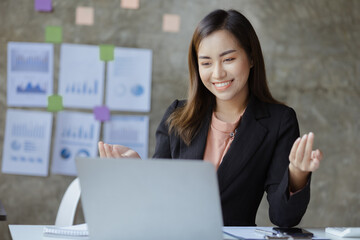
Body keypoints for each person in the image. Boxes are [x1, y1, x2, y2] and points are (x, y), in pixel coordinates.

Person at [98, 9, 323, 227]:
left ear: (252, 58)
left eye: (228, 59)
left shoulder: (278, 121)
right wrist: (136, 173)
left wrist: (297, 174)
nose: (217, 73)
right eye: (206, 63)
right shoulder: (177, 116)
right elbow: (157, 205)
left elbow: (283, 218)